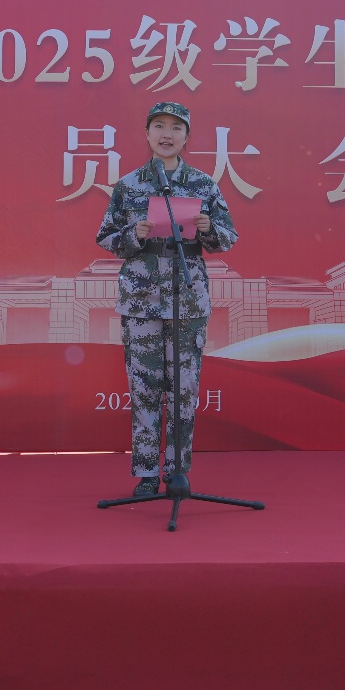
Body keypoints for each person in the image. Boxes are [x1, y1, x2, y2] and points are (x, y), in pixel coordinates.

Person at [95, 101, 239, 496]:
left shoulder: (204, 185)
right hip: (141, 300)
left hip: (187, 299)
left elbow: (228, 237)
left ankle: (177, 471)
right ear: (147, 134)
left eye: (175, 128)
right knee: (144, 387)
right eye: (159, 126)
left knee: (183, 389)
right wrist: (134, 235)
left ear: (186, 137)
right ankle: (146, 473)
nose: (166, 134)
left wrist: (208, 229)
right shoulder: (129, 185)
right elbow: (106, 237)